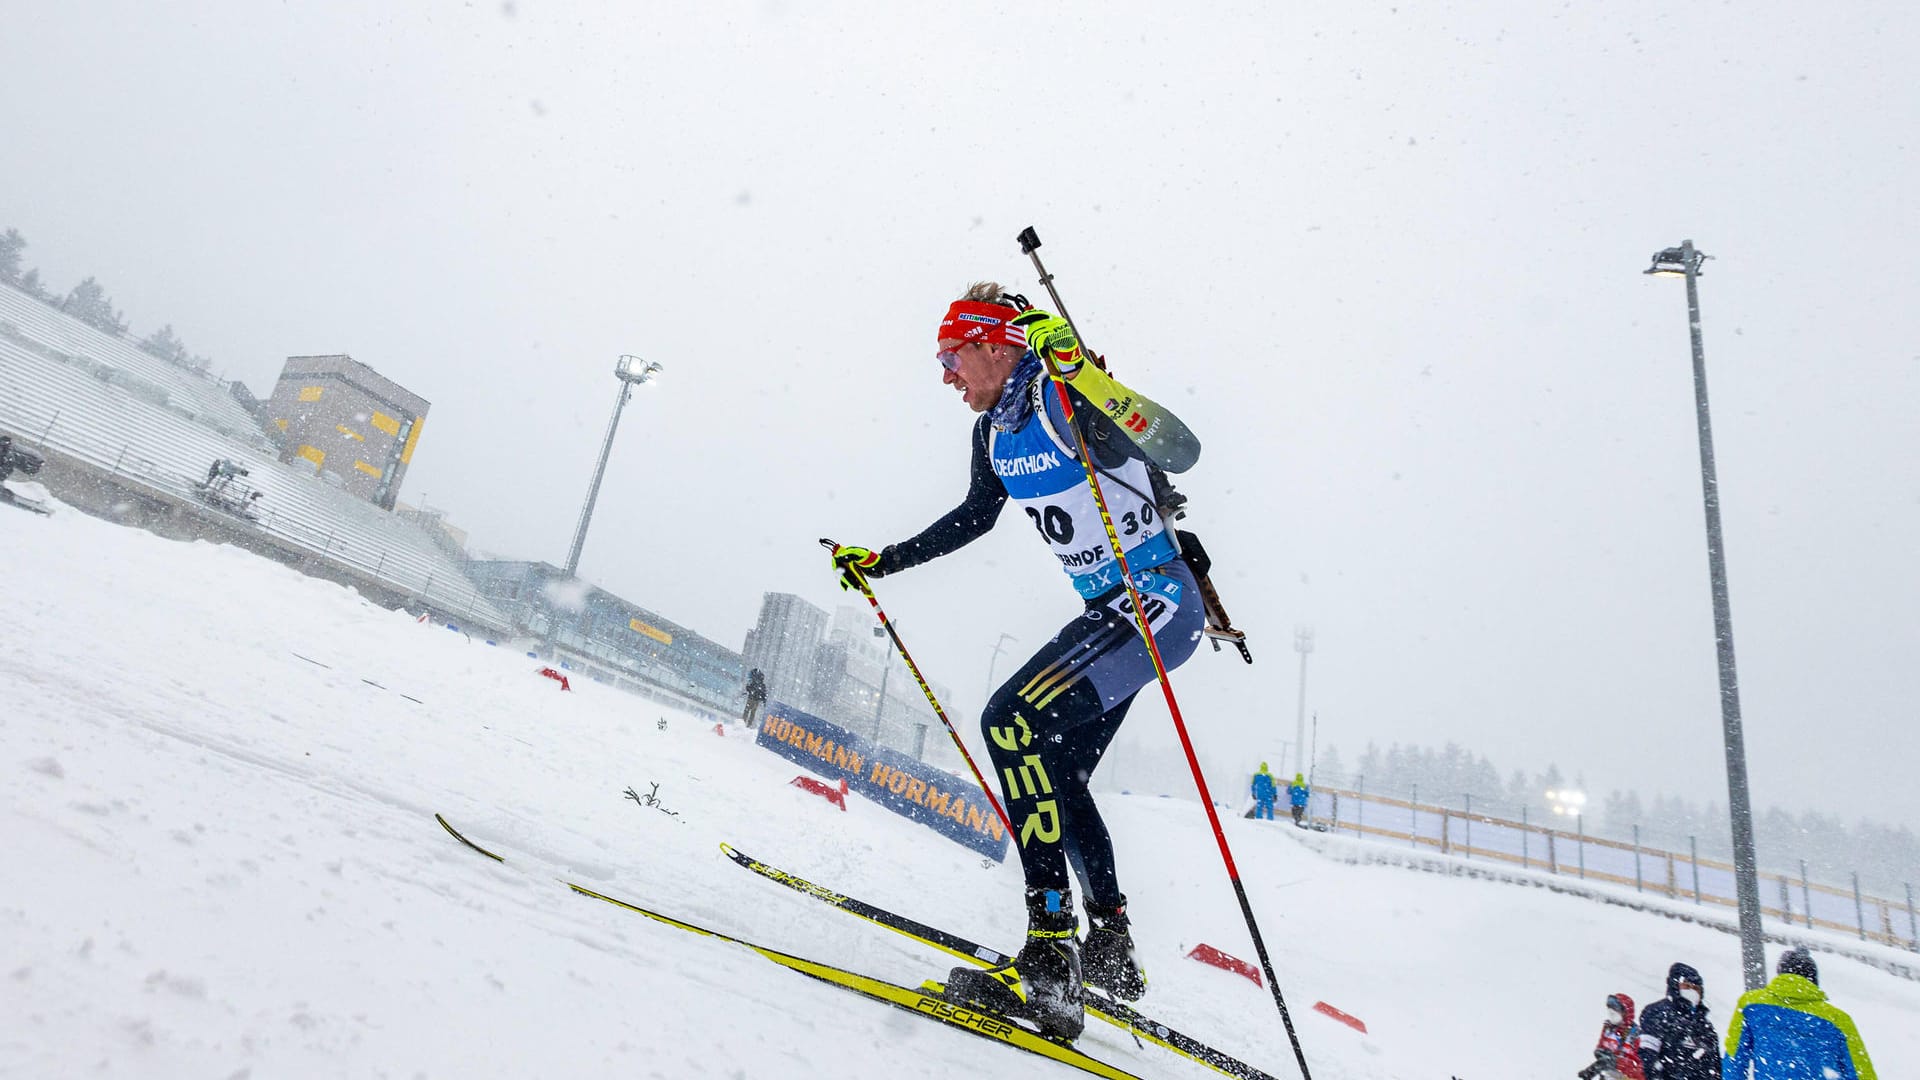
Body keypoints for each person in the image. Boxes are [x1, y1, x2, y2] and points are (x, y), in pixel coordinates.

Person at [830, 282, 1205, 1041]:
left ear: (994, 345)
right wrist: (885, 561)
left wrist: (1089, 378)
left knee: (1011, 719)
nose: (945, 375)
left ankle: (1047, 955)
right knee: (1056, 769)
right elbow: (974, 517)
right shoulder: (994, 433)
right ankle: (1109, 946)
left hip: (1153, 601)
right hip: (1112, 611)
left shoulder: (1067, 400)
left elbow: (1180, 450)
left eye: (950, 356)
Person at [1723, 948, 1876, 1079]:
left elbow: (1734, 1059)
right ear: (1813, 979)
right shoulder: (1838, 1020)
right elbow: (1861, 1072)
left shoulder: (1751, 1005)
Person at [1638, 962, 1721, 1080]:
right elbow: (1647, 1058)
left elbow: (1716, 1067)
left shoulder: (1706, 1027)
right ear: (1675, 986)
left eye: (1696, 988)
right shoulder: (1657, 1013)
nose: (1691, 991)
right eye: (1686, 986)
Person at [1580, 993, 1646, 1080]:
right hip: (1608, 1074)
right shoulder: (1608, 1028)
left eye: (1614, 1013)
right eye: (1610, 1013)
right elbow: (1601, 1048)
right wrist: (1600, 1054)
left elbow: (1642, 1069)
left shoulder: (1636, 1034)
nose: (1611, 1016)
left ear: (1626, 1013)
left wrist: (1617, 1062)